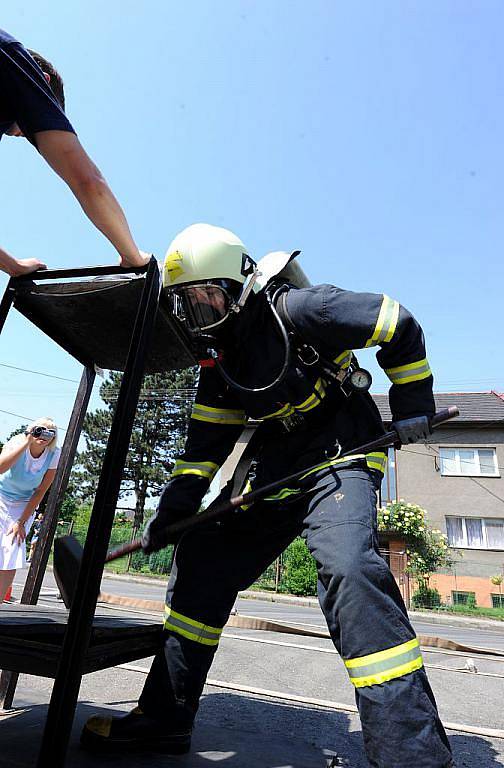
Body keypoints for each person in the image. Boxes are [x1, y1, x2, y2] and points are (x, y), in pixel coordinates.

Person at [81, 224, 454, 767]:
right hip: (280, 463)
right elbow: (204, 446)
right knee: (203, 557)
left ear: (238, 286)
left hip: (345, 449)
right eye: (187, 305)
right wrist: (175, 512)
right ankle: (164, 719)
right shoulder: (219, 361)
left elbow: (397, 322)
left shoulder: (304, 309)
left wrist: (414, 400)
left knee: (349, 570)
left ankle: (411, 755)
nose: (200, 314)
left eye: (207, 297)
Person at [0, 27, 149, 277]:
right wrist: (133, 256)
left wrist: (12, 266)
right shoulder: (16, 60)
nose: (26, 134)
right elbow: (88, 181)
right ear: (43, 80)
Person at [0, 418, 60, 602]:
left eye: (50, 433)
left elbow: (41, 490)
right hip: (1, 495)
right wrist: (26, 441)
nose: (44, 435)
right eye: (40, 430)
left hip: (23, 504)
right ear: (31, 430)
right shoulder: (18, 441)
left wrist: (21, 521)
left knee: (11, 552)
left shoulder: (54, 454)